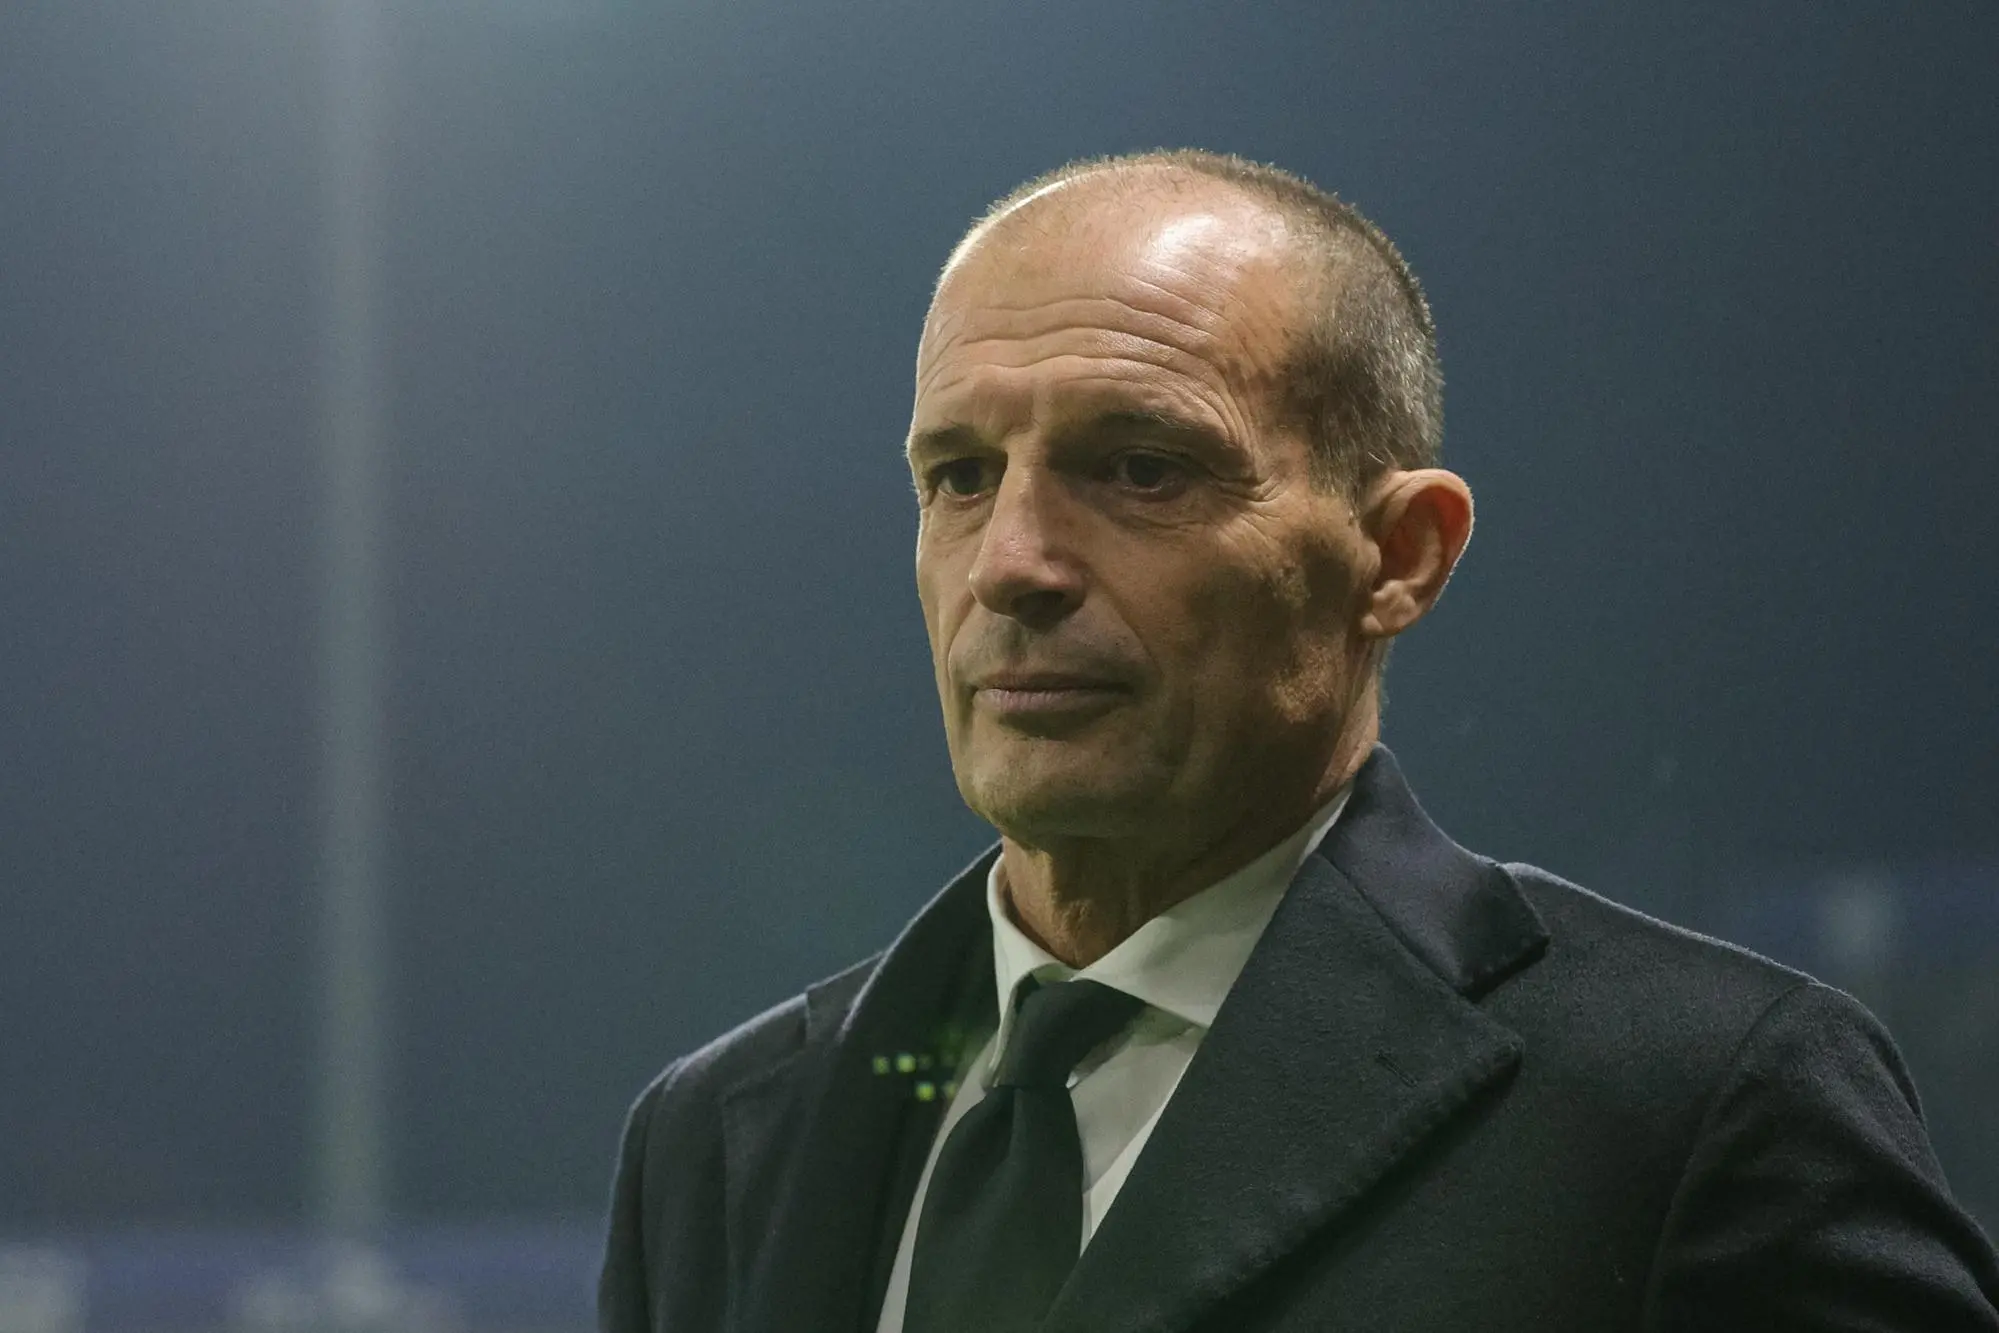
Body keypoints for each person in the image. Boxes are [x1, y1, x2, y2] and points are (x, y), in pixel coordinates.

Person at [597, 150, 1999, 1332]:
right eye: (958, 477)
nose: (1010, 562)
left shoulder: (1695, 1104)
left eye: (1139, 466)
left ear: (1399, 554)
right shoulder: (720, 1138)